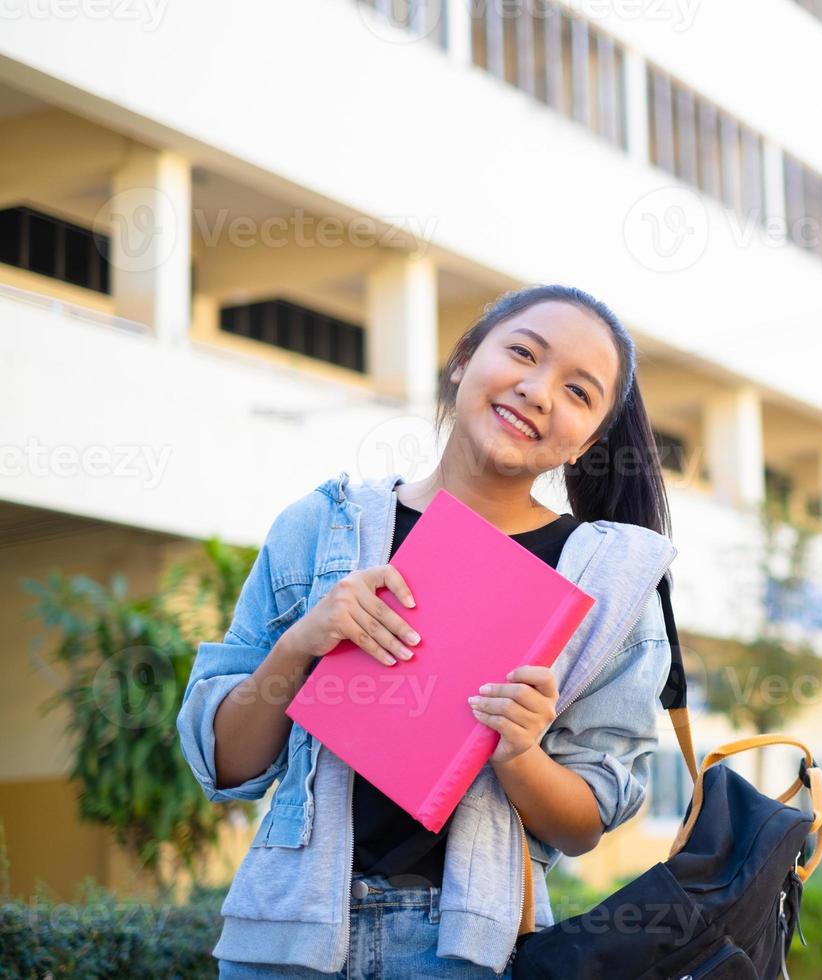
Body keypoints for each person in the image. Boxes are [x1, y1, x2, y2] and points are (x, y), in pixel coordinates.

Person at [177, 284, 681, 977]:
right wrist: (302, 644)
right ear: (464, 358)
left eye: (578, 392)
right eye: (523, 353)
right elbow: (226, 766)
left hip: (462, 949)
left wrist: (519, 751)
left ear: (590, 440)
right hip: (285, 937)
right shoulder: (323, 528)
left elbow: (586, 821)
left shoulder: (606, 585)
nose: (537, 391)